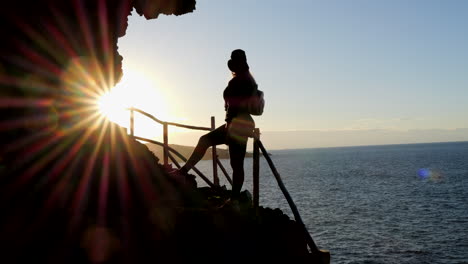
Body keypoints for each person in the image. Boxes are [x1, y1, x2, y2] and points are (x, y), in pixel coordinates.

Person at [176, 49, 257, 201]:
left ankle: (233, 200)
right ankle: (234, 199)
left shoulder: (239, 81)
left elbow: (236, 106)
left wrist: (229, 125)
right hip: (242, 124)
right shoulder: (247, 80)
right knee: (236, 163)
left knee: (210, 144)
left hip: (236, 124)